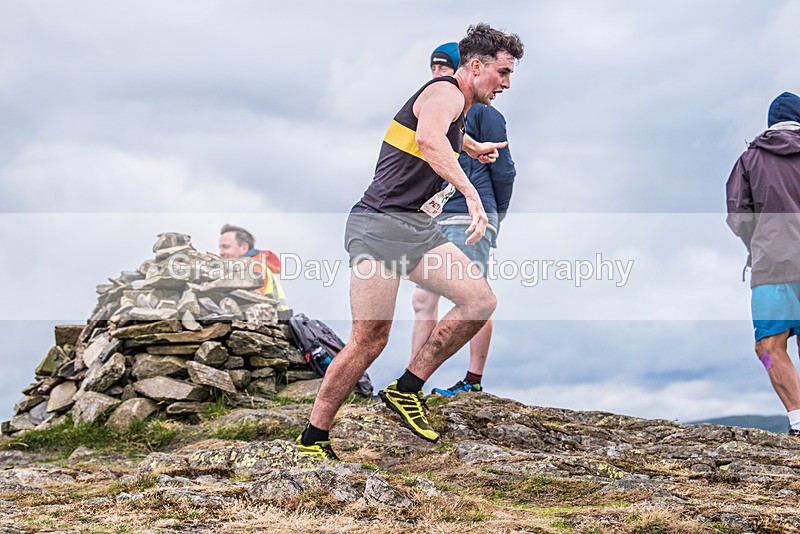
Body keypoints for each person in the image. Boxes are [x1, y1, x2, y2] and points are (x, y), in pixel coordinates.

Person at [296, 23, 524, 460]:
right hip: (378, 227)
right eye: (503, 72)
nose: (507, 84)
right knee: (370, 338)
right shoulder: (444, 92)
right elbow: (428, 137)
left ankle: (407, 389)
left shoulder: (456, 106)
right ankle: (313, 439)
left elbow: (442, 136)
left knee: (479, 300)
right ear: (475, 67)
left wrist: (471, 148)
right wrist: (472, 193)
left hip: (415, 231)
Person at [410, 42, 517, 397]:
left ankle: (472, 381)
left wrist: (492, 213)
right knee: (423, 301)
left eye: (444, 68)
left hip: (469, 217)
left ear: (465, 68)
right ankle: (413, 385)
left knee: (472, 297)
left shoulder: (486, 114)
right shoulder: (434, 107)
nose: (437, 76)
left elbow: (505, 170)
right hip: (436, 216)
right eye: (433, 69)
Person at [726, 91, 800, 436]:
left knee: (770, 346)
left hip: (773, 264)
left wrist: (760, 244)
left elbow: (738, 217)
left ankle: (798, 420)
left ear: (771, 124)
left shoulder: (749, 161)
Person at [218, 224, 287, 307]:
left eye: (226, 247)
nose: (221, 253)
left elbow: (254, 299)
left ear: (244, 248)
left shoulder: (255, 267)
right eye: (220, 247)